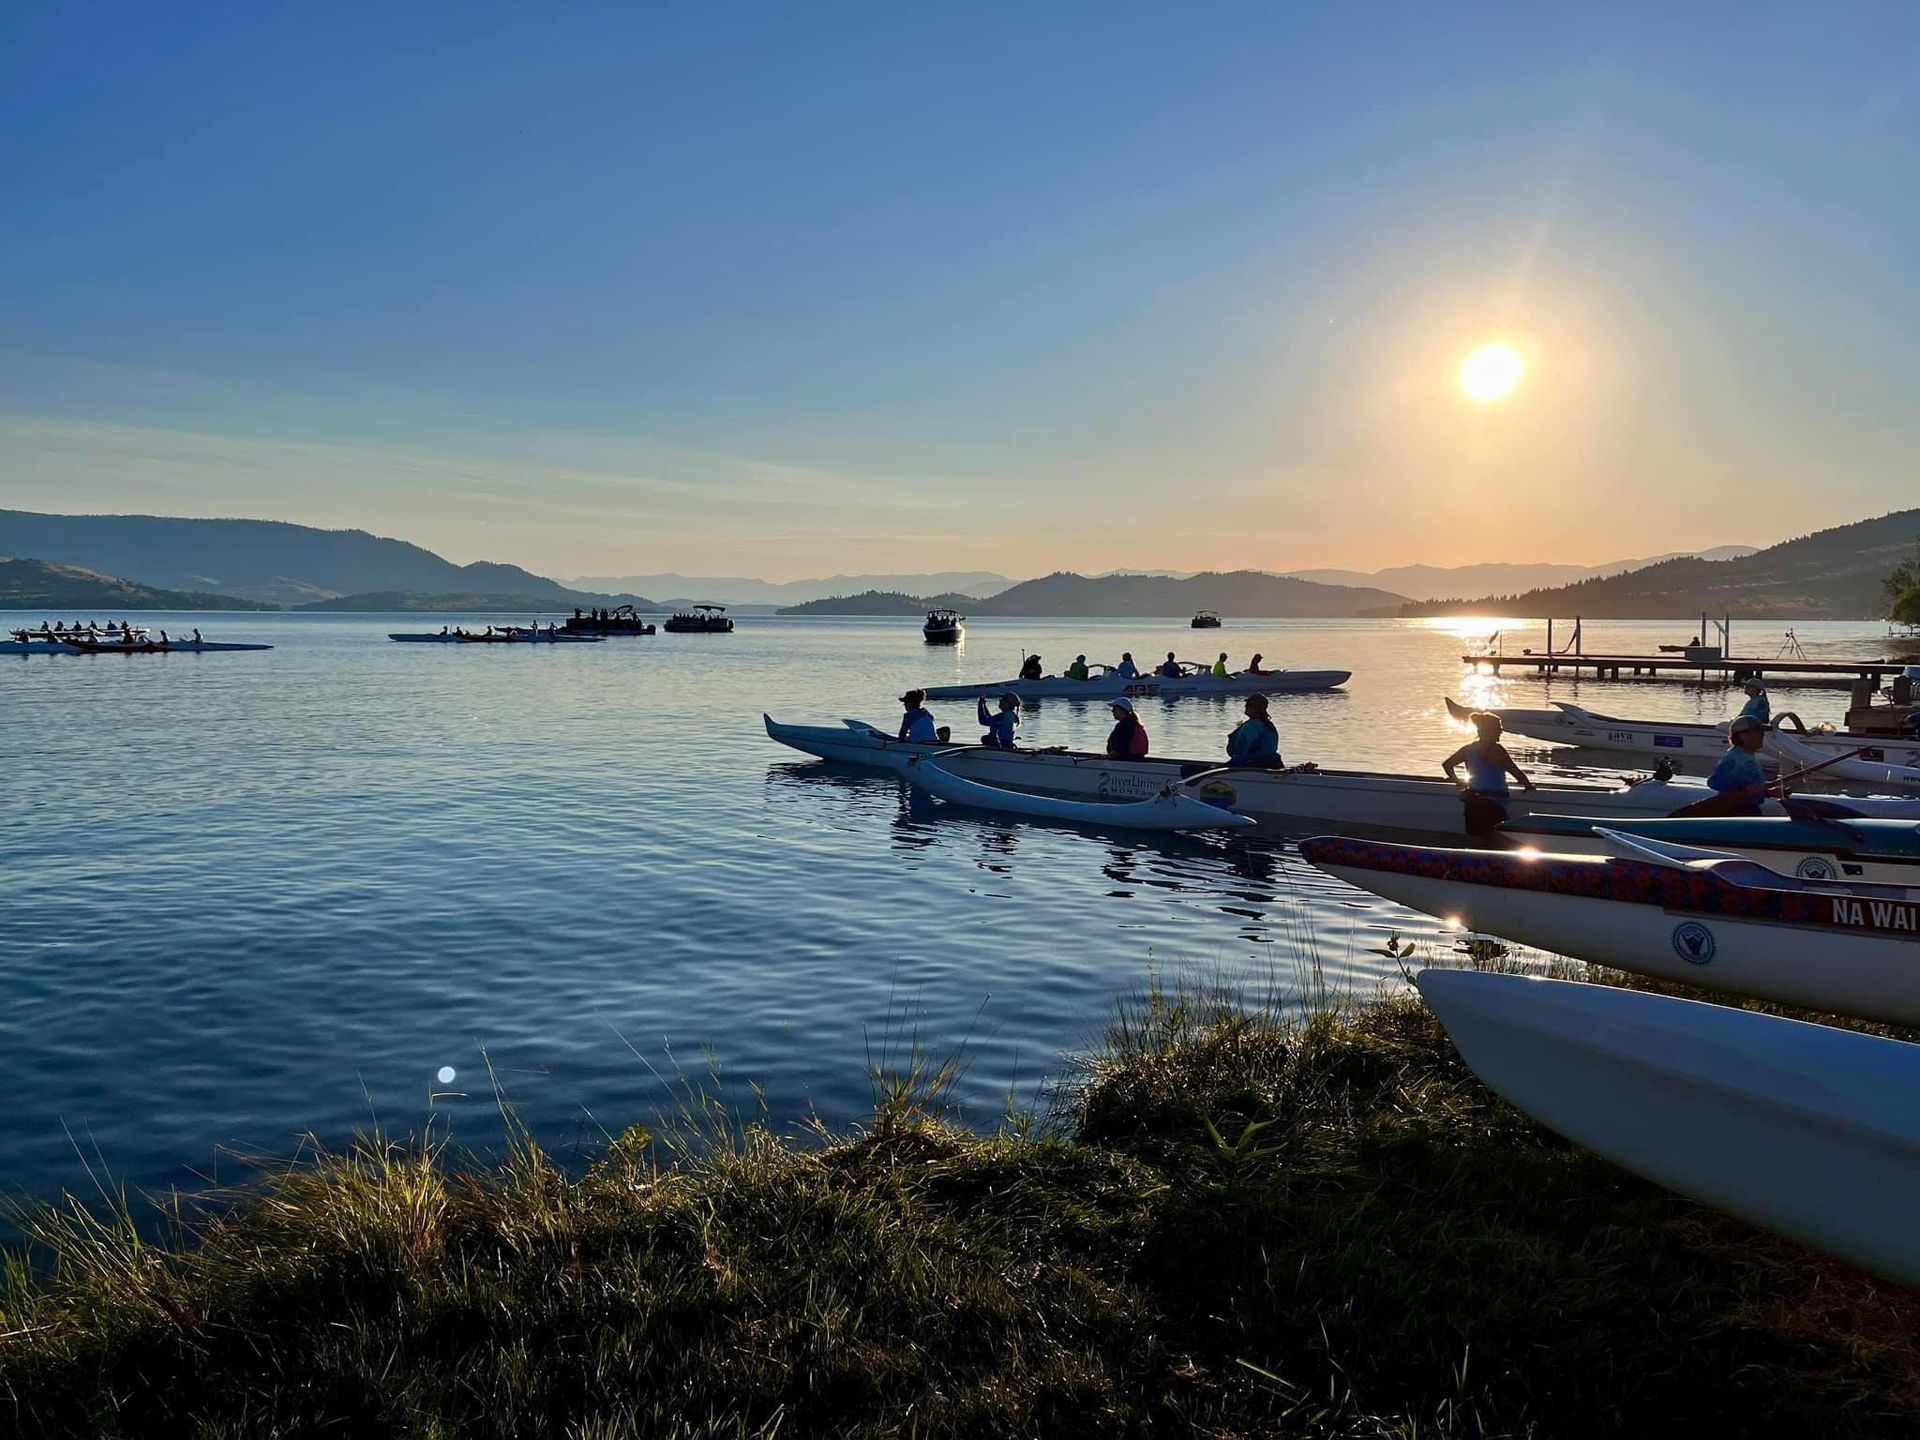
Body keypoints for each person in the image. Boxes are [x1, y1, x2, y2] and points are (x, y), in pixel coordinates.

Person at [1443, 711, 1536, 841]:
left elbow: (1447, 765)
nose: (1501, 731)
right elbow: (1516, 772)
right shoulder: (1497, 750)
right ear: (1490, 730)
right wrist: (1528, 785)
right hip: (1493, 804)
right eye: (1499, 728)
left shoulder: (1468, 749)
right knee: (1501, 842)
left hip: (1473, 802)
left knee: (1476, 842)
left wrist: (1458, 781)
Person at [1701, 715, 1771, 816]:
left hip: (1747, 808)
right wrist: (1746, 789)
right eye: (1758, 733)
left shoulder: (1747, 756)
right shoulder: (1737, 758)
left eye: (1762, 733)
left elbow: (1751, 785)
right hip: (1737, 810)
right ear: (1743, 735)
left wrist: (1768, 791)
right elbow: (1714, 782)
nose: (1762, 736)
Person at [1226, 695, 1282, 768]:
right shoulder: (1269, 725)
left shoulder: (1251, 726)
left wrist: (1232, 768)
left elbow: (1241, 752)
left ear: (1256, 708)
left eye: (1249, 704)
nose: (1245, 705)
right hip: (1274, 764)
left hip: (1256, 767)